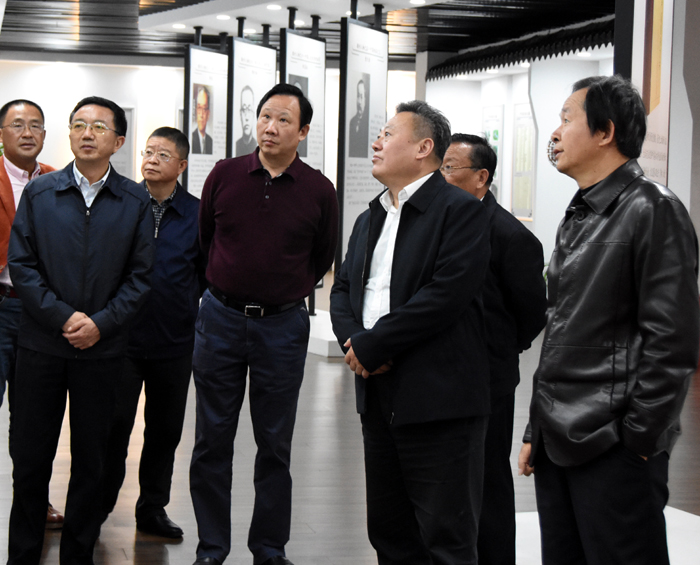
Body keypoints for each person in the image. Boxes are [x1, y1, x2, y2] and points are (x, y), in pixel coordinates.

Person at [517, 75, 700, 565]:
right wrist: (537, 428)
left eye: (566, 119)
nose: (555, 133)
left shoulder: (653, 209)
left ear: (605, 132)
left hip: (613, 443)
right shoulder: (580, 213)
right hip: (560, 437)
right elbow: (560, 332)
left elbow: (673, 342)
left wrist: (638, 439)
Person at [330, 101, 491, 565]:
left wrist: (376, 343)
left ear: (423, 148)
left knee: (446, 539)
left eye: (387, 134)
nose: (376, 143)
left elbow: (444, 296)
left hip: (438, 400)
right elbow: (343, 289)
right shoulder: (371, 216)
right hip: (377, 394)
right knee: (389, 532)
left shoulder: (460, 211)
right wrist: (356, 342)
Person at [190, 83, 338, 565]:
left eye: (283, 120)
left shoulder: (319, 190)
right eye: (265, 116)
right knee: (212, 439)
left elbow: (321, 257)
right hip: (221, 319)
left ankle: (269, 548)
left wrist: (283, 292)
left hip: (282, 326)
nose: (270, 127)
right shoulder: (225, 174)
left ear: (303, 132)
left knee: (275, 442)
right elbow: (205, 241)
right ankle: (212, 547)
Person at [7, 96, 154, 565]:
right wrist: (63, 318)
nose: (87, 133)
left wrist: (100, 324)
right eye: (78, 125)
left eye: (98, 127)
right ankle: (23, 555)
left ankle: (78, 555)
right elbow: (22, 266)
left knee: (93, 461)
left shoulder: (134, 200)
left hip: (103, 350)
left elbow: (140, 278)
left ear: (119, 141)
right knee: (31, 460)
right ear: (69, 134)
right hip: (41, 344)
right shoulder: (40, 192)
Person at [442, 134, 547, 565]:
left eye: (450, 168)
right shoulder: (441, 222)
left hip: (489, 378)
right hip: (440, 375)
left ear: (481, 177)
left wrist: (499, 348)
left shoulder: (510, 235)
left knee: (488, 480)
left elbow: (532, 313)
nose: (441, 175)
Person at [100, 127, 206, 538]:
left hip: (174, 342)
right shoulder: (123, 202)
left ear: (181, 166)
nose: (152, 159)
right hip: (122, 340)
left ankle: (152, 508)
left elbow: (205, 275)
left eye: (163, 155)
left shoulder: (197, 214)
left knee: (165, 431)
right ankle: (98, 507)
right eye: (148, 152)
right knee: (113, 427)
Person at [0, 99, 65, 531]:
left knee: (32, 418)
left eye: (36, 125)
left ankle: (33, 504)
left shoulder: (57, 182)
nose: (27, 132)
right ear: (1, 134)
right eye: (17, 124)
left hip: (40, 314)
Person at [348, 79, 369, 158]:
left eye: (361, 97)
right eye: (358, 96)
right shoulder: (352, 122)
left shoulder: (367, 124)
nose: (359, 102)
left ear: (366, 99)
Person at [235, 86, 257, 157]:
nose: (246, 117)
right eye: (244, 109)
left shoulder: (257, 146)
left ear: (254, 114)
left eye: (249, 110)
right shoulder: (236, 145)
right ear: (240, 114)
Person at [192, 86, 213, 155]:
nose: (201, 115)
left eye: (204, 109)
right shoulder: (191, 139)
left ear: (208, 113)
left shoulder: (210, 141)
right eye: (199, 108)